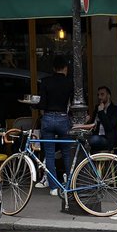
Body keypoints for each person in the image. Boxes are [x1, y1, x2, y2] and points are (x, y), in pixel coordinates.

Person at [38, 56, 74, 195]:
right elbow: (72, 104)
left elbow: (42, 104)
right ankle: (69, 183)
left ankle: (53, 187)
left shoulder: (46, 82)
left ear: (53, 68)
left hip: (47, 118)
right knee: (66, 153)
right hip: (63, 118)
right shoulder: (69, 82)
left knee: (50, 154)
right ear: (65, 68)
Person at [83, 85, 117, 153]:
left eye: (102, 94)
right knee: (84, 139)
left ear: (108, 96)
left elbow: (109, 127)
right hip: (97, 136)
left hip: (108, 139)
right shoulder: (97, 107)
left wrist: (101, 112)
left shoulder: (115, 109)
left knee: (93, 139)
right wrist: (87, 122)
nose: (99, 97)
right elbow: (93, 125)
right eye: (98, 95)